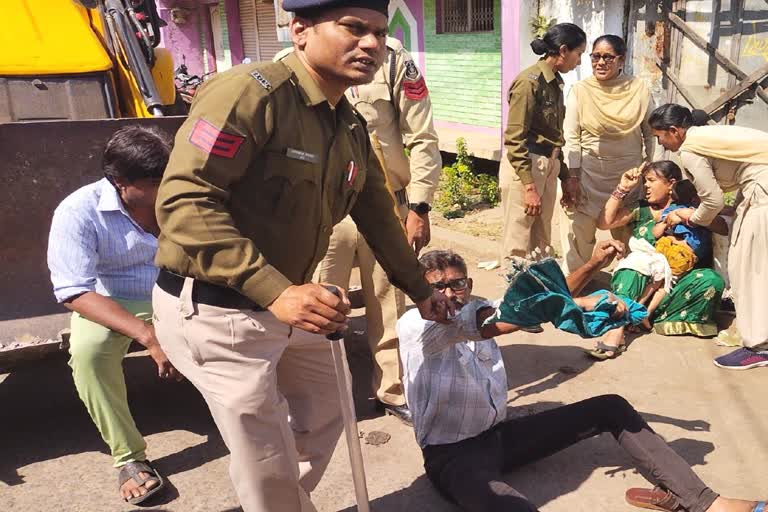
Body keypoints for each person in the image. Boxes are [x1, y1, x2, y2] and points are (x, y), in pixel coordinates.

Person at [150, 2, 453, 511]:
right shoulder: (250, 94)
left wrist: (422, 291)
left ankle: (279, 499)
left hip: (291, 305)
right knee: (265, 456)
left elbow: (379, 214)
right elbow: (183, 201)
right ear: (300, 30)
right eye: (354, 28)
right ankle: (275, 497)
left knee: (329, 408)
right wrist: (276, 290)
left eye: (380, 33)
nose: (373, 44)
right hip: (218, 310)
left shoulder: (349, 125)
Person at [396, 244, 766, 512]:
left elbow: (540, 300)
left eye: (457, 285)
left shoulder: (479, 306)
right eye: (437, 287)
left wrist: (591, 270)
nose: (448, 295)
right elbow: (505, 320)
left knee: (611, 408)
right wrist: (578, 302)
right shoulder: (416, 325)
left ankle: (704, 502)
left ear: (470, 285)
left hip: (498, 436)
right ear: (420, 293)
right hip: (453, 459)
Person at [276, 35, 442, 423]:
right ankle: (321, 399)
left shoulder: (393, 56)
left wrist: (419, 204)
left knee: (390, 303)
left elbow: (422, 135)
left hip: (387, 202)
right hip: (324, 209)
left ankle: (391, 390)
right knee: (319, 306)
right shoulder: (291, 60)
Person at [47, 126, 179, 505]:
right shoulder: (79, 211)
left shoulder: (180, 197)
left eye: (167, 177)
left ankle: (258, 423)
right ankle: (129, 457)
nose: (164, 189)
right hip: (117, 300)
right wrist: (149, 335)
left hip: (177, 288)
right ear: (120, 182)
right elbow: (74, 290)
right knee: (90, 353)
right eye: (155, 182)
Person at [648, 103, 768, 370]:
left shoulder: (691, 149)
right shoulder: (707, 135)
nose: (662, 144)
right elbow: (747, 168)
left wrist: (689, 216)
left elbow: (712, 201)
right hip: (759, 185)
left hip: (763, 194)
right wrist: (734, 209)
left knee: (748, 266)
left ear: (674, 131)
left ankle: (759, 347)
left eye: (660, 137)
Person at [589, 161, 726, 359]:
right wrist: (622, 189)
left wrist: (689, 215)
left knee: (711, 280)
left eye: (651, 180)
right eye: (645, 181)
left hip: (671, 285)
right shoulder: (641, 209)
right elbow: (604, 223)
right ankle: (619, 326)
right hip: (638, 282)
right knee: (634, 265)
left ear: (671, 184)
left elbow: (723, 227)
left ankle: (643, 316)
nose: (646, 186)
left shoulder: (694, 208)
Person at [560, 34, 656, 275]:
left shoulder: (639, 89)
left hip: (628, 177)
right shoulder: (581, 91)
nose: (600, 62)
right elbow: (571, 137)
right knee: (578, 237)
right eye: (595, 57)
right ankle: (576, 286)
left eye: (607, 57)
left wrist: (646, 169)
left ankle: (629, 286)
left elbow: (650, 133)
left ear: (621, 59)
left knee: (630, 239)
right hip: (587, 177)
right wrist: (572, 176)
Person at [500, 22, 586, 263]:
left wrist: (564, 175)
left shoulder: (555, 83)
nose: (579, 61)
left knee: (540, 243)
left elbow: (554, 135)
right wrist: (528, 187)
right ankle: (514, 297)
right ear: (563, 50)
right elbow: (515, 138)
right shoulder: (529, 83)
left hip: (547, 164)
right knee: (518, 243)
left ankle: (537, 298)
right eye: (578, 54)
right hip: (526, 166)